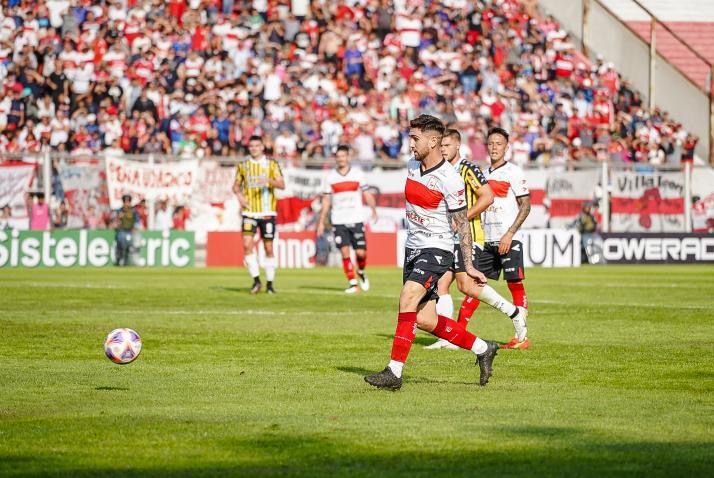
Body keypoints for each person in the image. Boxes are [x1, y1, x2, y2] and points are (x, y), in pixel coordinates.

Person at [364, 115, 506, 391]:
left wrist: (469, 264)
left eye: (415, 138)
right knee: (424, 319)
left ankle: (394, 372)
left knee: (407, 297)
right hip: (413, 248)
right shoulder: (411, 166)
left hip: (437, 249)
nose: (410, 143)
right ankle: (482, 347)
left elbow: (462, 222)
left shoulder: (450, 180)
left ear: (432, 141)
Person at [460, 127, 532, 349]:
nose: (494, 147)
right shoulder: (482, 173)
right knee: (475, 284)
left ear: (507, 147)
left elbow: (526, 205)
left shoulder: (514, 172)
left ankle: (521, 337)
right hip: (484, 239)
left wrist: (510, 234)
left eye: (498, 143)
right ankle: (457, 333)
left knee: (515, 284)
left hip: (506, 238)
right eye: (490, 143)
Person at [316, 145, 377, 293]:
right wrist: (321, 222)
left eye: (343, 156)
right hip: (338, 220)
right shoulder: (330, 177)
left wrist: (374, 210)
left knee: (361, 253)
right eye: (338, 156)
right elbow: (325, 201)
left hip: (356, 218)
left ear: (348, 157)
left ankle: (361, 271)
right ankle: (352, 283)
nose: (341, 159)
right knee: (344, 252)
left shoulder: (357, 174)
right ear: (336, 158)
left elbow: (367, 193)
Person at [233, 135, 285, 294]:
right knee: (247, 244)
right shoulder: (243, 166)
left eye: (257, 145)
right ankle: (256, 281)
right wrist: (240, 197)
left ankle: (270, 284)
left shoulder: (272, 164)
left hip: (268, 212)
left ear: (262, 147)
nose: (254, 148)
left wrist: (269, 180)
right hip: (250, 212)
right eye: (251, 146)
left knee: (268, 248)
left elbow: (282, 185)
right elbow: (235, 187)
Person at [113, 194, 140, 266]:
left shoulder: (133, 211)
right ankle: (118, 260)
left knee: (129, 246)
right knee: (120, 245)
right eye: (125, 202)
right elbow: (115, 221)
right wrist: (118, 218)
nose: (127, 203)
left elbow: (137, 222)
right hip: (122, 231)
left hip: (130, 231)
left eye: (128, 202)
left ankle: (126, 261)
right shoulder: (119, 210)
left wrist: (135, 228)